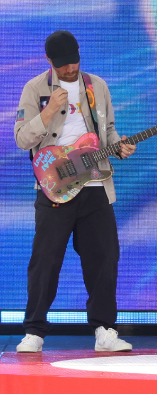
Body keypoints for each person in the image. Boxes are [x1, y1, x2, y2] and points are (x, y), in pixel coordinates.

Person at [13, 30, 136, 353]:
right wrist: (48, 111)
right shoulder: (35, 89)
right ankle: (34, 331)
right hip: (55, 187)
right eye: (63, 64)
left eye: (74, 61)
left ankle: (104, 330)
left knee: (105, 257)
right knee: (45, 260)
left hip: (95, 185)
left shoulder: (97, 86)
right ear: (49, 61)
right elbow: (22, 138)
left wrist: (119, 146)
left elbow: (108, 131)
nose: (70, 69)